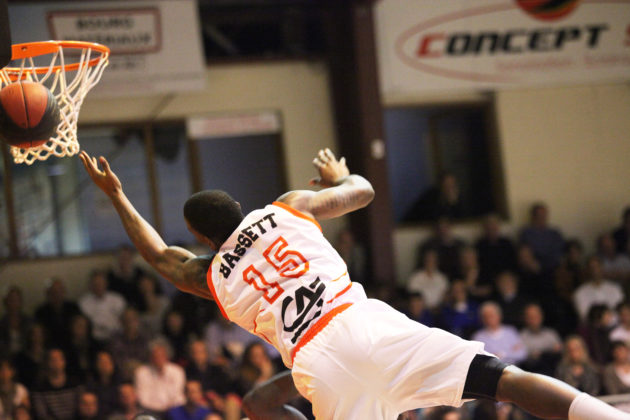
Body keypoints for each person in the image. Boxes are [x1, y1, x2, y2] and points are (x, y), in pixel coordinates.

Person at [80, 149, 628, 420]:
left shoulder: (209, 274)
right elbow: (363, 191)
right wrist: (338, 177)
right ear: (241, 208)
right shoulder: (287, 207)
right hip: (361, 321)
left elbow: (159, 256)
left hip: (316, 363)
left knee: (261, 403)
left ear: (202, 238)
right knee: (501, 379)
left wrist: (117, 195)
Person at [134, 338, 186, 413]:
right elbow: (142, 397)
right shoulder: (142, 372)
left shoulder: (177, 371)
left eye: (161, 356)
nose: (159, 359)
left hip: (173, 409)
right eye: (156, 356)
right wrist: (158, 408)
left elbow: (177, 393)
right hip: (150, 409)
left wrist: (168, 408)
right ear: (151, 358)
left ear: (166, 357)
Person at [79, 270, 126, 342]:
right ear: (90, 285)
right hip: (95, 340)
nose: (98, 286)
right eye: (95, 284)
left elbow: (124, 320)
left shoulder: (117, 299)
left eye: (100, 283)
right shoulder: (84, 303)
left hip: (117, 338)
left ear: (106, 284)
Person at [573, 256, 624, 322]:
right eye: (592, 267)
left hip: (615, 325)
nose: (595, 270)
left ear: (602, 268)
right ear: (587, 270)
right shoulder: (579, 293)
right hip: (591, 327)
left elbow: (620, 311)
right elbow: (584, 316)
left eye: (597, 266)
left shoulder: (615, 289)